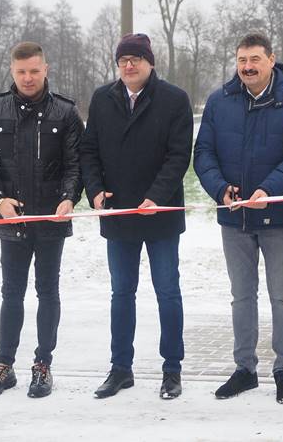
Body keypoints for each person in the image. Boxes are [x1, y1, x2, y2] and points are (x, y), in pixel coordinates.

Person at [194, 33, 283, 404]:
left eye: (255, 59)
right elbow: (204, 153)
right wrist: (220, 190)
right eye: (242, 59)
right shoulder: (219, 101)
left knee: (282, 295)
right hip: (234, 218)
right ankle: (244, 369)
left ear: (271, 59)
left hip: (277, 216)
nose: (247, 67)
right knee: (241, 296)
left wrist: (269, 191)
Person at [80, 33, 193, 400]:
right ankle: (120, 369)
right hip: (118, 215)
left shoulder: (174, 99)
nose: (129, 65)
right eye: (123, 59)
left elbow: (179, 155)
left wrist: (155, 197)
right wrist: (94, 189)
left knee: (167, 292)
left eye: (136, 59)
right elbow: (89, 150)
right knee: (121, 293)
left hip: (159, 215)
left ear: (150, 62)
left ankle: (172, 369)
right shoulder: (102, 99)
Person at [0, 41, 84, 399]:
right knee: (11, 293)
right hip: (11, 220)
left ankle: (42, 365)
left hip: (51, 220)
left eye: (34, 70)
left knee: (48, 291)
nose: (28, 77)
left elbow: (75, 165)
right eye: (21, 72)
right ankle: (4, 366)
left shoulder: (65, 113)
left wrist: (68, 197)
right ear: (12, 72)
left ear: (46, 69)